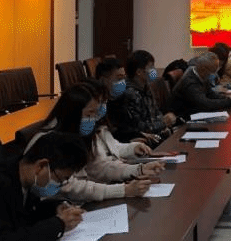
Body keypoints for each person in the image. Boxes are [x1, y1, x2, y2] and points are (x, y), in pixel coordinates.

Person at [26, 82, 162, 201]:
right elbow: (71, 187)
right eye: (89, 114)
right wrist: (123, 190)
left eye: (94, 114)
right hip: (53, 208)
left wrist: (139, 169)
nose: (93, 119)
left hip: (77, 204)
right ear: (73, 113)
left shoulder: (81, 132)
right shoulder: (49, 140)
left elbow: (99, 167)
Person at [119, 50, 177, 143]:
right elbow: (139, 128)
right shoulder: (130, 93)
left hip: (156, 135)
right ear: (139, 72)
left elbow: (155, 113)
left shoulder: (146, 87)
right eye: (151, 67)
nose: (154, 70)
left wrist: (164, 125)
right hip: (142, 141)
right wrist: (163, 123)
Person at [170, 52, 231, 120]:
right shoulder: (190, 82)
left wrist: (225, 97)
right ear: (204, 69)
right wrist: (227, 102)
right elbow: (204, 104)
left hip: (196, 111)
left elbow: (210, 94)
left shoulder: (201, 75)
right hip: (185, 117)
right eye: (213, 71)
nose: (214, 74)